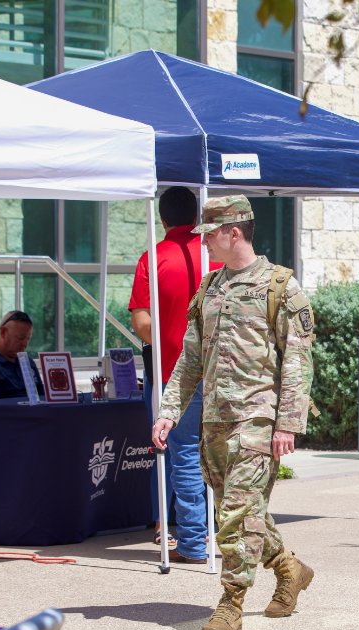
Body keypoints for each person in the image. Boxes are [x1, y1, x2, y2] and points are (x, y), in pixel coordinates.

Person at [152, 195, 316, 630]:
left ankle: (231, 602)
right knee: (239, 511)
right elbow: (189, 359)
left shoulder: (279, 287)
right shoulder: (209, 289)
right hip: (214, 421)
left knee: (238, 514)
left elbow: (298, 361)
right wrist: (169, 412)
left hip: (257, 420)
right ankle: (290, 569)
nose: (204, 244)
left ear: (233, 232)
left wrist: (287, 423)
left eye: (209, 236)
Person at [129, 187, 221, 564]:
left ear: (163, 219)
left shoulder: (153, 258)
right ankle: (228, 536)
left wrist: (174, 343)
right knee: (221, 454)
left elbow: (141, 321)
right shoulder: (214, 257)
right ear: (197, 213)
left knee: (181, 454)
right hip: (220, 371)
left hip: (173, 371)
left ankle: (193, 541)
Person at [0, 310, 44, 400]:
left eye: (28, 339)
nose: (25, 344)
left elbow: (42, 398)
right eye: (20, 338)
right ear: (3, 332)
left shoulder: (28, 362)